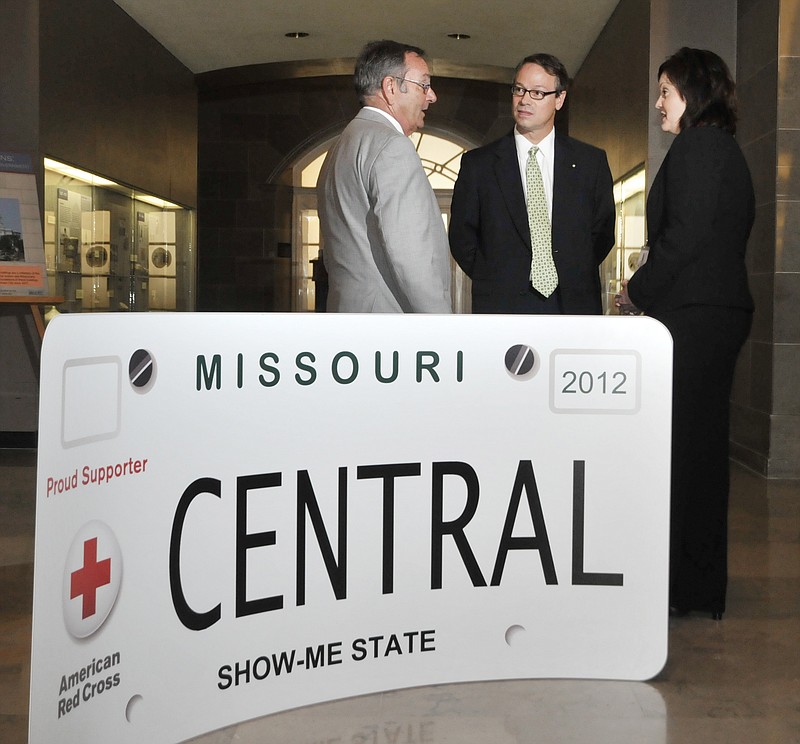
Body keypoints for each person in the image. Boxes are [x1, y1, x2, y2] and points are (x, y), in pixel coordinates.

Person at [616, 48, 754, 620]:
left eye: (665, 92)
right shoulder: (722, 150)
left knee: (686, 454)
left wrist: (636, 291)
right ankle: (695, 587)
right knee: (697, 452)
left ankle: (685, 590)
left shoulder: (698, 147)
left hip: (695, 317)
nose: (658, 103)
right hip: (711, 314)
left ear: (693, 94)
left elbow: (686, 237)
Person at [449, 53, 615, 314]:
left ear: (559, 99)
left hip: (573, 305)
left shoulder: (590, 163)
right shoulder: (479, 165)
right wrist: (496, 277)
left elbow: (602, 232)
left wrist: (572, 271)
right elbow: (462, 237)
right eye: (519, 90)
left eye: (537, 93)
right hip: (502, 306)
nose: (524, 100)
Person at [317, 40, 452, 313]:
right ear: (391, 88)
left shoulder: (339, 146)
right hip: (389, 326)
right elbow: (410, 255)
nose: (432, 96)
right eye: (424, 85)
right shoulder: (392, 146)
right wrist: (442, 328)